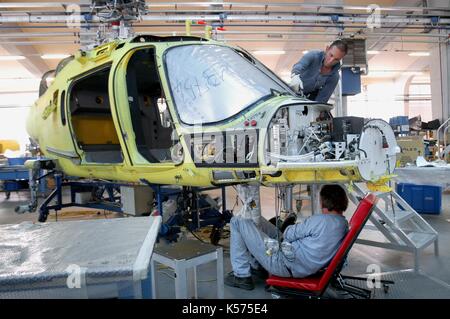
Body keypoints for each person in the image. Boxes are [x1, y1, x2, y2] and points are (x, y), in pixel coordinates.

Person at [225, 184, 349, 290]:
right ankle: (257, 266)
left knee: (237, 221)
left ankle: (241, 276)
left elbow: (288, 234)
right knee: (256, 220)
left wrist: (291, 224)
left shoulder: (320, 221)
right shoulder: (343, 224)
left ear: (323, 201)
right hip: (293, 258)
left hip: (281, 262)